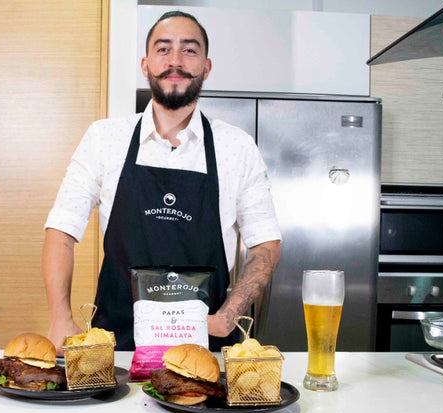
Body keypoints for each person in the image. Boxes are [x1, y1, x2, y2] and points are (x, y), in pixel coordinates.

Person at [43, 10, 281, 352]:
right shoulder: (105, 138)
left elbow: (265, 245)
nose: (175, 61)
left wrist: (229, 315)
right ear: (146, 64)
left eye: (189, 49)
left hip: (206, 348)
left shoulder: (237, 147)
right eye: (163, 49)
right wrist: (59, 317)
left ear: (206, 66)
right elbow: (61, 230)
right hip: (117, 349)